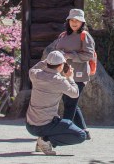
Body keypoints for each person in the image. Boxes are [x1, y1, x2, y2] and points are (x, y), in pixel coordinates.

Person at [43, 8, 96, 139]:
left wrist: (69, 55)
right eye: (72, 20)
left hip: (78, 75)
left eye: (77, 20)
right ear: (68, 21)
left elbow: (89, 55)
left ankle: (63, 131)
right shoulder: (63, 35)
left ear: (82, 22)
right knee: (70, 103)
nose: (74, 23)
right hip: (62, 74)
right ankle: (84, 131)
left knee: (70, 103)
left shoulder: (85, 36)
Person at [26, 50, 86, 156]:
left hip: (30, 126)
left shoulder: (35, 74)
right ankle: (46, 140)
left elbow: (35, 67)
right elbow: (75, 93)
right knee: (81, 135)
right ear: (61, 66)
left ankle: (43, 140)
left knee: (62, 124)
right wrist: (70, 78)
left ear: (48, 63)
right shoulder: (60, 81)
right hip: (47, 125)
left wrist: (49, 60)